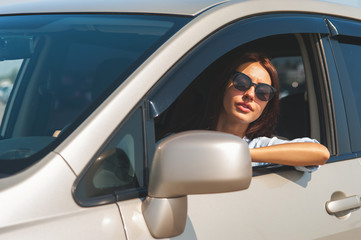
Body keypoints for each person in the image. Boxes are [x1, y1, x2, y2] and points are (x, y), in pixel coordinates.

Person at [201, 52, 330, 169]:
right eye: (241, 83)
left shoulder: (259, 147)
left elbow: (320, 153)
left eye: (263, 92)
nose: (250, 94)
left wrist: (241, 153)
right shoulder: (189, 138)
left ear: (266, 106)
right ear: (224, 84)